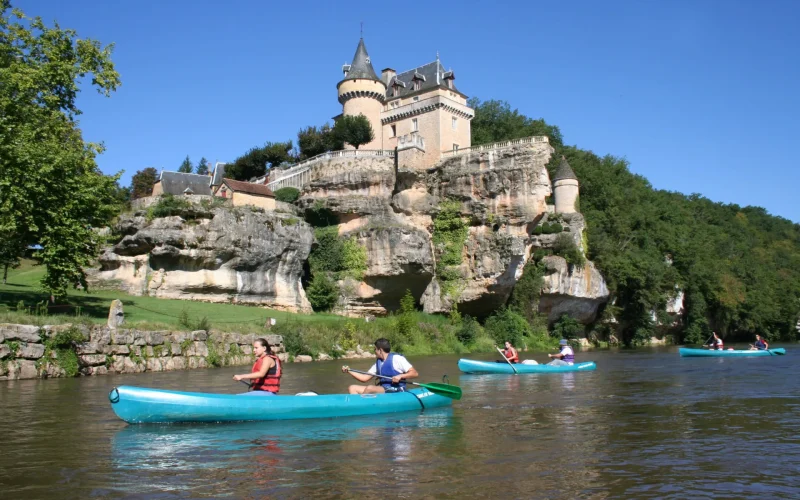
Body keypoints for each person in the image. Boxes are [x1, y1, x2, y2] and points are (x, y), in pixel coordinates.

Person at [341, 338, 418, 394]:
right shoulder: (379, 363)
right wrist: (349, 371)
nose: (374, 351)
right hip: (384, 389)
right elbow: (364, 378)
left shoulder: (397, 359)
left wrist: (400, 376)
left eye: (375, 349)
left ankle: (361, 406)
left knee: (370, 388)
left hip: (397, 389)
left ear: (380, 350)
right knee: (352, 388)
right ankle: (356, 405)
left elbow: (414, 373)